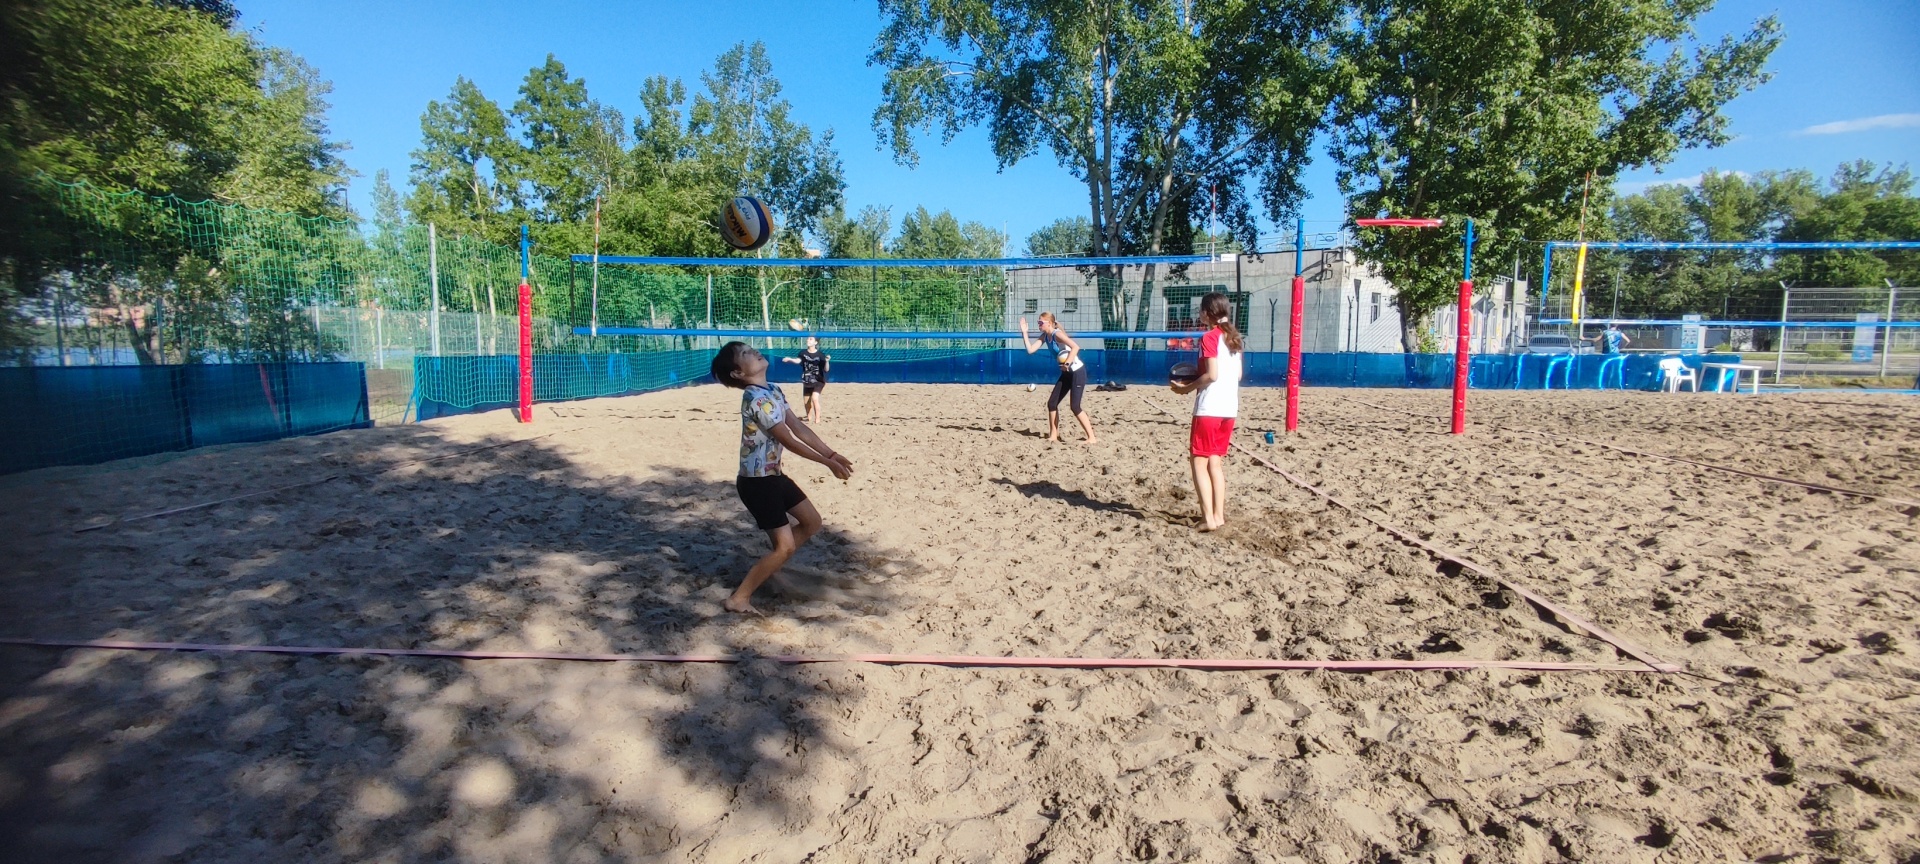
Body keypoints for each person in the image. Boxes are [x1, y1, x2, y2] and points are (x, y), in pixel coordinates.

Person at [710, 342, 855, 615]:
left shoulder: (773, 389)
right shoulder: (755, 398)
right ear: (738, 374)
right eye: (745, 354)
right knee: (784, 546)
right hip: (757, 483)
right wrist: (826, 463)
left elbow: (798, 427)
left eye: (751, 349)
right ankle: (739, 598)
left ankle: (772, 566)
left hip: (773, 476)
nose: (753, 352)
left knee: (812, 522)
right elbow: (787, 439)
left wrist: (832, 453)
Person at [1170, 293, 1242, 532]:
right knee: (1215, 463)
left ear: (1206, 313)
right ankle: (1218, 516)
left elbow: (1212, 375)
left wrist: (1186, 388)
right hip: (1229, 409)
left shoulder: (1209, 337)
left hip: (1209, 407)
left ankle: (1208, 518)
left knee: (1198, 462)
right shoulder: (1234, 338)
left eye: (1200, 310)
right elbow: (1238, 375)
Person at [1018, 312, 1098, 443]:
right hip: (1066, 373)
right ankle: (1054, 435)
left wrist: (1067, 363)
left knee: (1075, 407)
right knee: (1052, 403)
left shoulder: (1057, 334)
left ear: (1049, 323)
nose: (1039, 325)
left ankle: (1092, 437)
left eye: (1040, 323)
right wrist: (1024, 332)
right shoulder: (1045, 336)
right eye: (1038, 322)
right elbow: (1030, 350)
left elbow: (1075, 347)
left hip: (1077, 371)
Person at [780, 335, 830, 422]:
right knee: (806, 402)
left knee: (814, 398)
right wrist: (789, 359)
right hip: (807, 380)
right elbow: (798, 361)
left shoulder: (820, 355)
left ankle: (817, 419)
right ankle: (809, 417)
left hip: (818, 380)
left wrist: (827, 361)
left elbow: (826, 369)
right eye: (808, 339)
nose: (808, 340)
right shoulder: (803, 353)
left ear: (815, 342)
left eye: (810, 339)